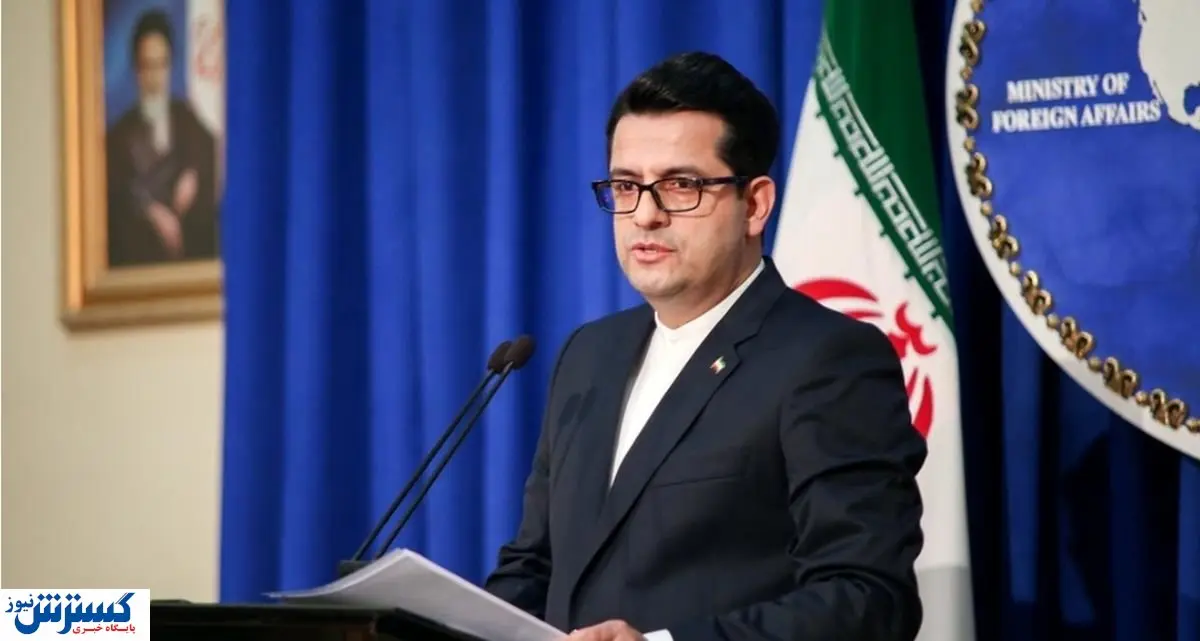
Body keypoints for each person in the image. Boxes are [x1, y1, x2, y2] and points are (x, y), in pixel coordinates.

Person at [483, 52, 927, 641]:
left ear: (755, 204)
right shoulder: (588, 355)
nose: (645, 215)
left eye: (680, 186)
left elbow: (867, 598)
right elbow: (534, 568)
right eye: (626, 186)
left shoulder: (828, 359)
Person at [106, 9, 219, 267]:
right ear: (136, 70)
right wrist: (151, 212)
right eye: (147, 66)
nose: (155, 78)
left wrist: (193, 173)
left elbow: (209, 154)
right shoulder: (119, 137)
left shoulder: (187, 118)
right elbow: (119, 197)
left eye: (161, 64)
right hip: (141, 263)